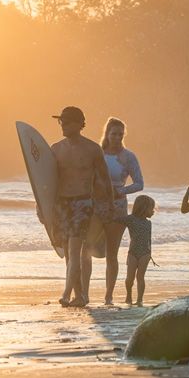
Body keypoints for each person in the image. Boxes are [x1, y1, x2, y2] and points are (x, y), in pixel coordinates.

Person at [50, 106, 112, 308]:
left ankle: (66, 294)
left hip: (83, 202)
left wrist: (108, 206)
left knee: (75, 250)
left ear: (79, 124)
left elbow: (104, 179)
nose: (63, 125)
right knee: (68, 253)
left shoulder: (93, 149)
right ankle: (81, 296)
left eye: (67, 122)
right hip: (62, 204)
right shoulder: (56, 149)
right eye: (61, 122)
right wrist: (41, 208)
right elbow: (46, 183)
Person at [82, 117, 144, 305]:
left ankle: (108, 296)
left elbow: (139, 183)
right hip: (96, 206)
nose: (117, 137)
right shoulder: (97, 153)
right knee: (87, 249)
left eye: (120, 134)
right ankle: (84, 294)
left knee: (112, 253)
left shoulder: (128, 156)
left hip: (117, 208)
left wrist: (121, 190)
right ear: (107, 134)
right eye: (113, 134)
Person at [117, 194, 155, 306]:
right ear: (143, 208)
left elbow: (149, 239)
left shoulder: (149, 223)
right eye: (151, 208)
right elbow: (117, 219)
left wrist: (150, 254)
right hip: (132, 252)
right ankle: (128, 296)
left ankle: (139, 300)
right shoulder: (130, 219)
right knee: (130, 278)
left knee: (140, 277)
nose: (153, 211)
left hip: (145, 253)